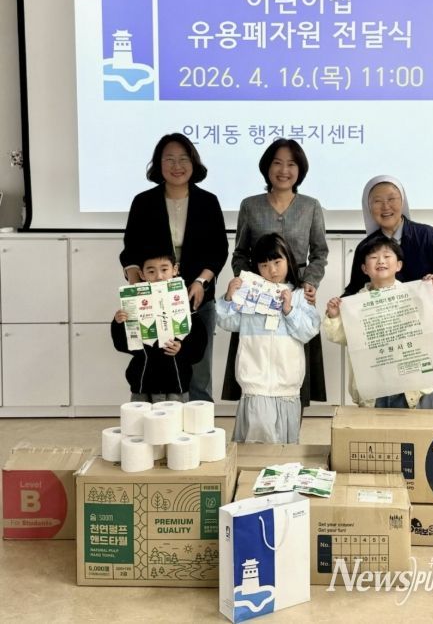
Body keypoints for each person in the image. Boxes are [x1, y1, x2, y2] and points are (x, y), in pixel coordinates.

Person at [344, 175, 433, 409]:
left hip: (430, 335)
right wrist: (340, 309)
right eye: (377, 201)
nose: (386, 206)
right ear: (368, 207)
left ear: (402, 202)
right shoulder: (366, 247)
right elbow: (354, 290)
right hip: (389, 343)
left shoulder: (428, 235)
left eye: (392, 199)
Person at [120, 132, 228, 402]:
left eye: (183, 159)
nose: (176, 166)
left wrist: (201, 282)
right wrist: (134, 279)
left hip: (197, 299)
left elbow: (218, 250)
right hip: (153, 299)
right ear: (158, 164)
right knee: (156, 365)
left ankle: (200, 424)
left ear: (193, 163)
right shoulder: (143, 201)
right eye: (169, 159)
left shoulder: (208, 201)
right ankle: (157, 421)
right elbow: (130, 248)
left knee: (199, 369)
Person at [222, 137, 328, 407]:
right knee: (255, 368)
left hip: (296, 297)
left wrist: (309, 282)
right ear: (267, 167)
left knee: (293, 368)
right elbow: (240, 253)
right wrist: (248, 284)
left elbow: (319, 253)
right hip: (256, 299)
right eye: (277, 163)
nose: (284, 170)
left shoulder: (311, 206)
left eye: (291, 164)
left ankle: (292, 424)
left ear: (300, 169)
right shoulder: (250, 205)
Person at [324, 235, 433, 408]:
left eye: (386, 256)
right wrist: (334, 316)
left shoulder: (413, 295)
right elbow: (341, 336)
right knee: (370, 425)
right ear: (364, 268)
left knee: (406, 425)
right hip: (373, 384)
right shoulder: (355, 304)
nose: (380, 261)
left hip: (407, 385)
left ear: (399, 265)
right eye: (373, 257)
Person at [217, 233, 321, 443]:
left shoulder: (299, 296)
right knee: (257, 441)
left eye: (277, 262)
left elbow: (309, 330)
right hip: (255, 384)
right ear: (256, 268)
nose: (272, 270)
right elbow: (227, 321)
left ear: (288, 260)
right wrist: (228, 297)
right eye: (264, 265)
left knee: (285, 445)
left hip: (288, 386)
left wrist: (289, 310)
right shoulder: (250, 295)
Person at [111, 252, 208, 403]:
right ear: (141, 274)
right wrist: (118, 323)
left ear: (175, 270)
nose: (159, 276)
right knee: (139, 418)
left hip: (176, 384)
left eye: (164, 269)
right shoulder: (134, 304)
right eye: (151, 271)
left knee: (175, 417)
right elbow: (122, 345)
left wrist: (182, 348)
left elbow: (199, 344)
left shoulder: (183, 303)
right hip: (143, 384)